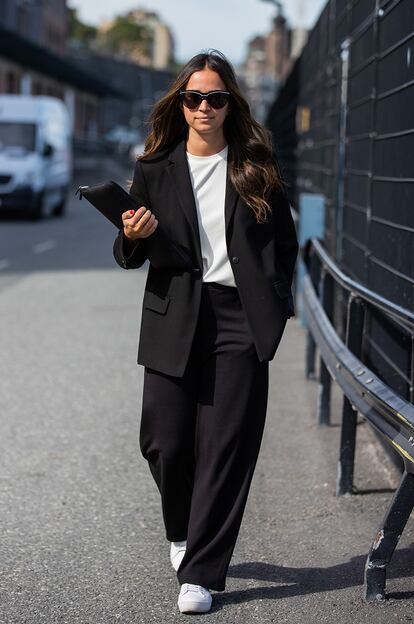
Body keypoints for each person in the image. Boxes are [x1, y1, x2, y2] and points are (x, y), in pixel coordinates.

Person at [112, 48, 299, 615]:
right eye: (194, 97)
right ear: (181, 101)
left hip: (239, 318)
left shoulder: (255, 164)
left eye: (215, 98)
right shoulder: (154, 167)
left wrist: (276, 303)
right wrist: (133, 233)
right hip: (176, 312)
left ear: (229, 104)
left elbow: (284, 245)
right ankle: (182, 531)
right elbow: (128, 255)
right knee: (164, 441)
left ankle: (201, 574)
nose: (204, 107)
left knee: (225, 446)